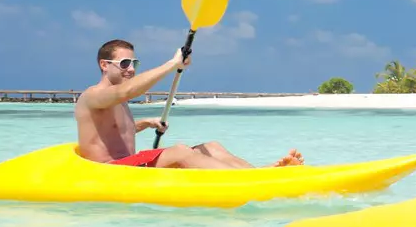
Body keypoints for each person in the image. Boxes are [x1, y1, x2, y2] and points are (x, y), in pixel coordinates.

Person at [75, 38, 302, 169]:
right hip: (112, 171)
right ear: (104, 65)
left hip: (132, 164)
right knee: (180, 151)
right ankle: (252, 185)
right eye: (124, 63)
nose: (132, 68)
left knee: (211, 146)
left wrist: (146, 123)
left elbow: (113, 133)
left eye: (134, 62)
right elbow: (127, 91)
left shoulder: (115, 99)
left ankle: (260, 175)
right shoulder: (94, 95)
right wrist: (173, 64)